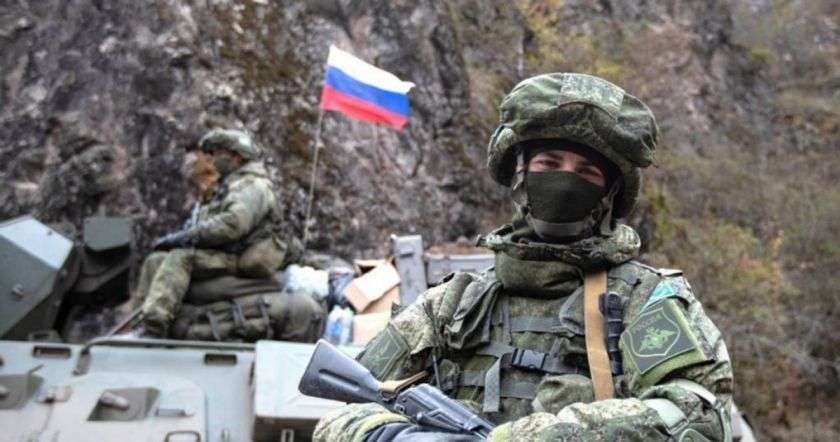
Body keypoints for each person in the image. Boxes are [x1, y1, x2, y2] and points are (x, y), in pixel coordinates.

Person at [314, 73, 734, 441]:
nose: (565, 181)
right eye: (549, 163)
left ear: (609, 194)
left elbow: (699, 414)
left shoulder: (642, 300)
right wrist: (395, 435)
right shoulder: (453, 305)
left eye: (586, 172)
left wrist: (532, 437)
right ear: (520, 176)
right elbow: (343, 413)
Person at [133, 129, 297, 338]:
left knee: (181, 257)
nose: (213, 159)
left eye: (219, 153)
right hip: (223, 254)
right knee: (155, 261)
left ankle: (154, 326)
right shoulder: (229, 186)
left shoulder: (253, 186)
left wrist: (186, 238)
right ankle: (140, 321)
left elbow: (233, 225)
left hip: (239, 258)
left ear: (237, 156)